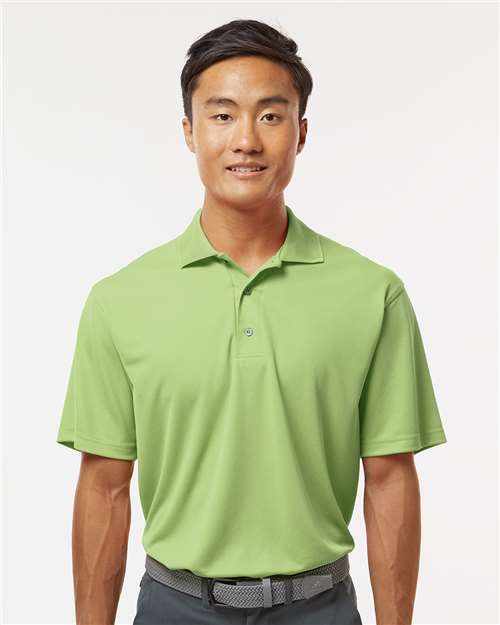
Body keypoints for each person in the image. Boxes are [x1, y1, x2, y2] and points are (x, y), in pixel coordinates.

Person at [56, 18, 447, 625]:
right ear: (189, 132)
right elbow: (104, 487)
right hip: (174, 608)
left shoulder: (374, 295)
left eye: (270, 115)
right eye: (222, 115)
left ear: (301, 132)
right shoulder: (119, 300)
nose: (246, 140)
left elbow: (390, 478)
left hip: (320, 608)